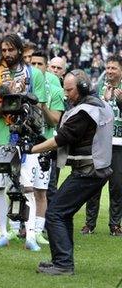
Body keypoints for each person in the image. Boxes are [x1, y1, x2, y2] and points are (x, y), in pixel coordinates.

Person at [26, 70, 114, 275]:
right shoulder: (97, 104)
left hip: (89, 171)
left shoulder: (85, 110)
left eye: (70, 90)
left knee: (55, 212)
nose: (66, 94)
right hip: (93, 170)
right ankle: (61, 260)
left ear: (82, 87)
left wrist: (33, 149)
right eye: (64, 89)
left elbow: (63, 138)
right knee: (63, 213)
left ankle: (64, 265)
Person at [0, 34, 48, 251]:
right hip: (0, 136)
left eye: (11, 50)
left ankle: (30, 235)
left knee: (27, 185)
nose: (7, 54)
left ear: (20, 51)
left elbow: (38, 108)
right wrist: (7, 99)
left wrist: (21, 97)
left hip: (26, 137)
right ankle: (3, 233)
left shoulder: (34, 75)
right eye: (3, 50)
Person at [81, 55, 122, 236]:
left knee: (117, 186)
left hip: (119, 144)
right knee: (94, 185)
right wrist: (104, 101)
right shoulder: (98, 86)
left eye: (114, 68)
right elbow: (93, 112)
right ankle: (90, 223)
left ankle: (115, 224)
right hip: (100, 143)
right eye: (108, 67)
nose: (110, 71)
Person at [31, 50, 65, 244]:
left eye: (40, 64)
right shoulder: (22, 82)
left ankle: (42, 227)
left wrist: (43, 106)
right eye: (32, 64)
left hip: (46, 142)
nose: (36, 68)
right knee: (21, 186)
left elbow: (54, 120)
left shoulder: (55, 89)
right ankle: (19, 227)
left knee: (46, 188)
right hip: (24, 141)